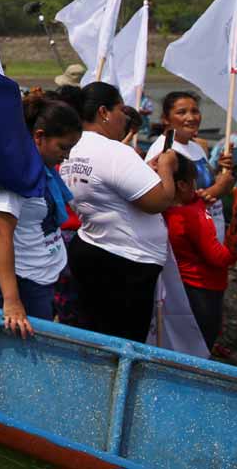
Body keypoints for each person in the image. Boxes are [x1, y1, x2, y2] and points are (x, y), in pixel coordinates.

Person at [57, 82, 179, 342]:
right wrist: (167, 168)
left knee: (97, 334)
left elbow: (110, 190)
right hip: (125, 263)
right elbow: (158, 201)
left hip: (93, 248)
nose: (125, 117)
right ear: (104, 112)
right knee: (123, 342)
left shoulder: (73, 148)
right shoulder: (114, 152)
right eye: (121, 110)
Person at [0, 91, 83, 337]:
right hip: (21, 278)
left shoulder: (38, 165)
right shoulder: (16, 173)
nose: (66, 155)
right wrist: (12, 301)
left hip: (38, 270)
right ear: (39, 137)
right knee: (27, 350)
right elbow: (1, 233)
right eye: (63, 147)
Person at [164, 156, 237, 349]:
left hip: (181, 284)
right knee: (202, 342)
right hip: (203, 287)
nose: (197, 188)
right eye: (193, 182)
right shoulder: (191, 216)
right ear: (182, 185)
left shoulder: (166, 210)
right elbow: (218, 258)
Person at [144, 91, 234, 241]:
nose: (191, 118)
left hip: (211, 234)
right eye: (181, 112)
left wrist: (220, 169)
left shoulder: (196, 146)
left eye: (195, 111)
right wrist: (219, 189)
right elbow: (168, 205)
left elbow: (200, 183)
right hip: (188, 241)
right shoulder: (163, 152)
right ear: (165, 119)